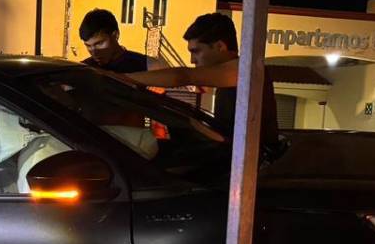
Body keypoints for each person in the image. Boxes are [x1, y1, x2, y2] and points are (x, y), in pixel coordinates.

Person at [125, 12, 279, 143]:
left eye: (196, 51)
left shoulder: (245, 70)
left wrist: (124, 78)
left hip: (250, 166)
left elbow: (182, 76)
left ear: (220, 46)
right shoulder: (232, 76)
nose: (192, 60)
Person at [78, 8, 151, 73]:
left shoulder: (143, 64)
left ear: (115, 35)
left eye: (99, 44)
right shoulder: (83, 69)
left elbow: (162, 77)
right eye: (88, 46)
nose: (94, 53)